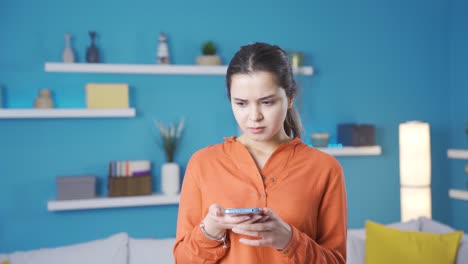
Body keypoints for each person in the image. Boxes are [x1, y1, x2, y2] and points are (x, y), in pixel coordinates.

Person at [173, 42, 347, 263]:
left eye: (267, 102)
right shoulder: (203, 163)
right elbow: (182, 260)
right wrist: (210, 230)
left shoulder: (325, 169)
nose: (254, 116)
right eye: (241, 103)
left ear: (290, 98)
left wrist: (289, 240)